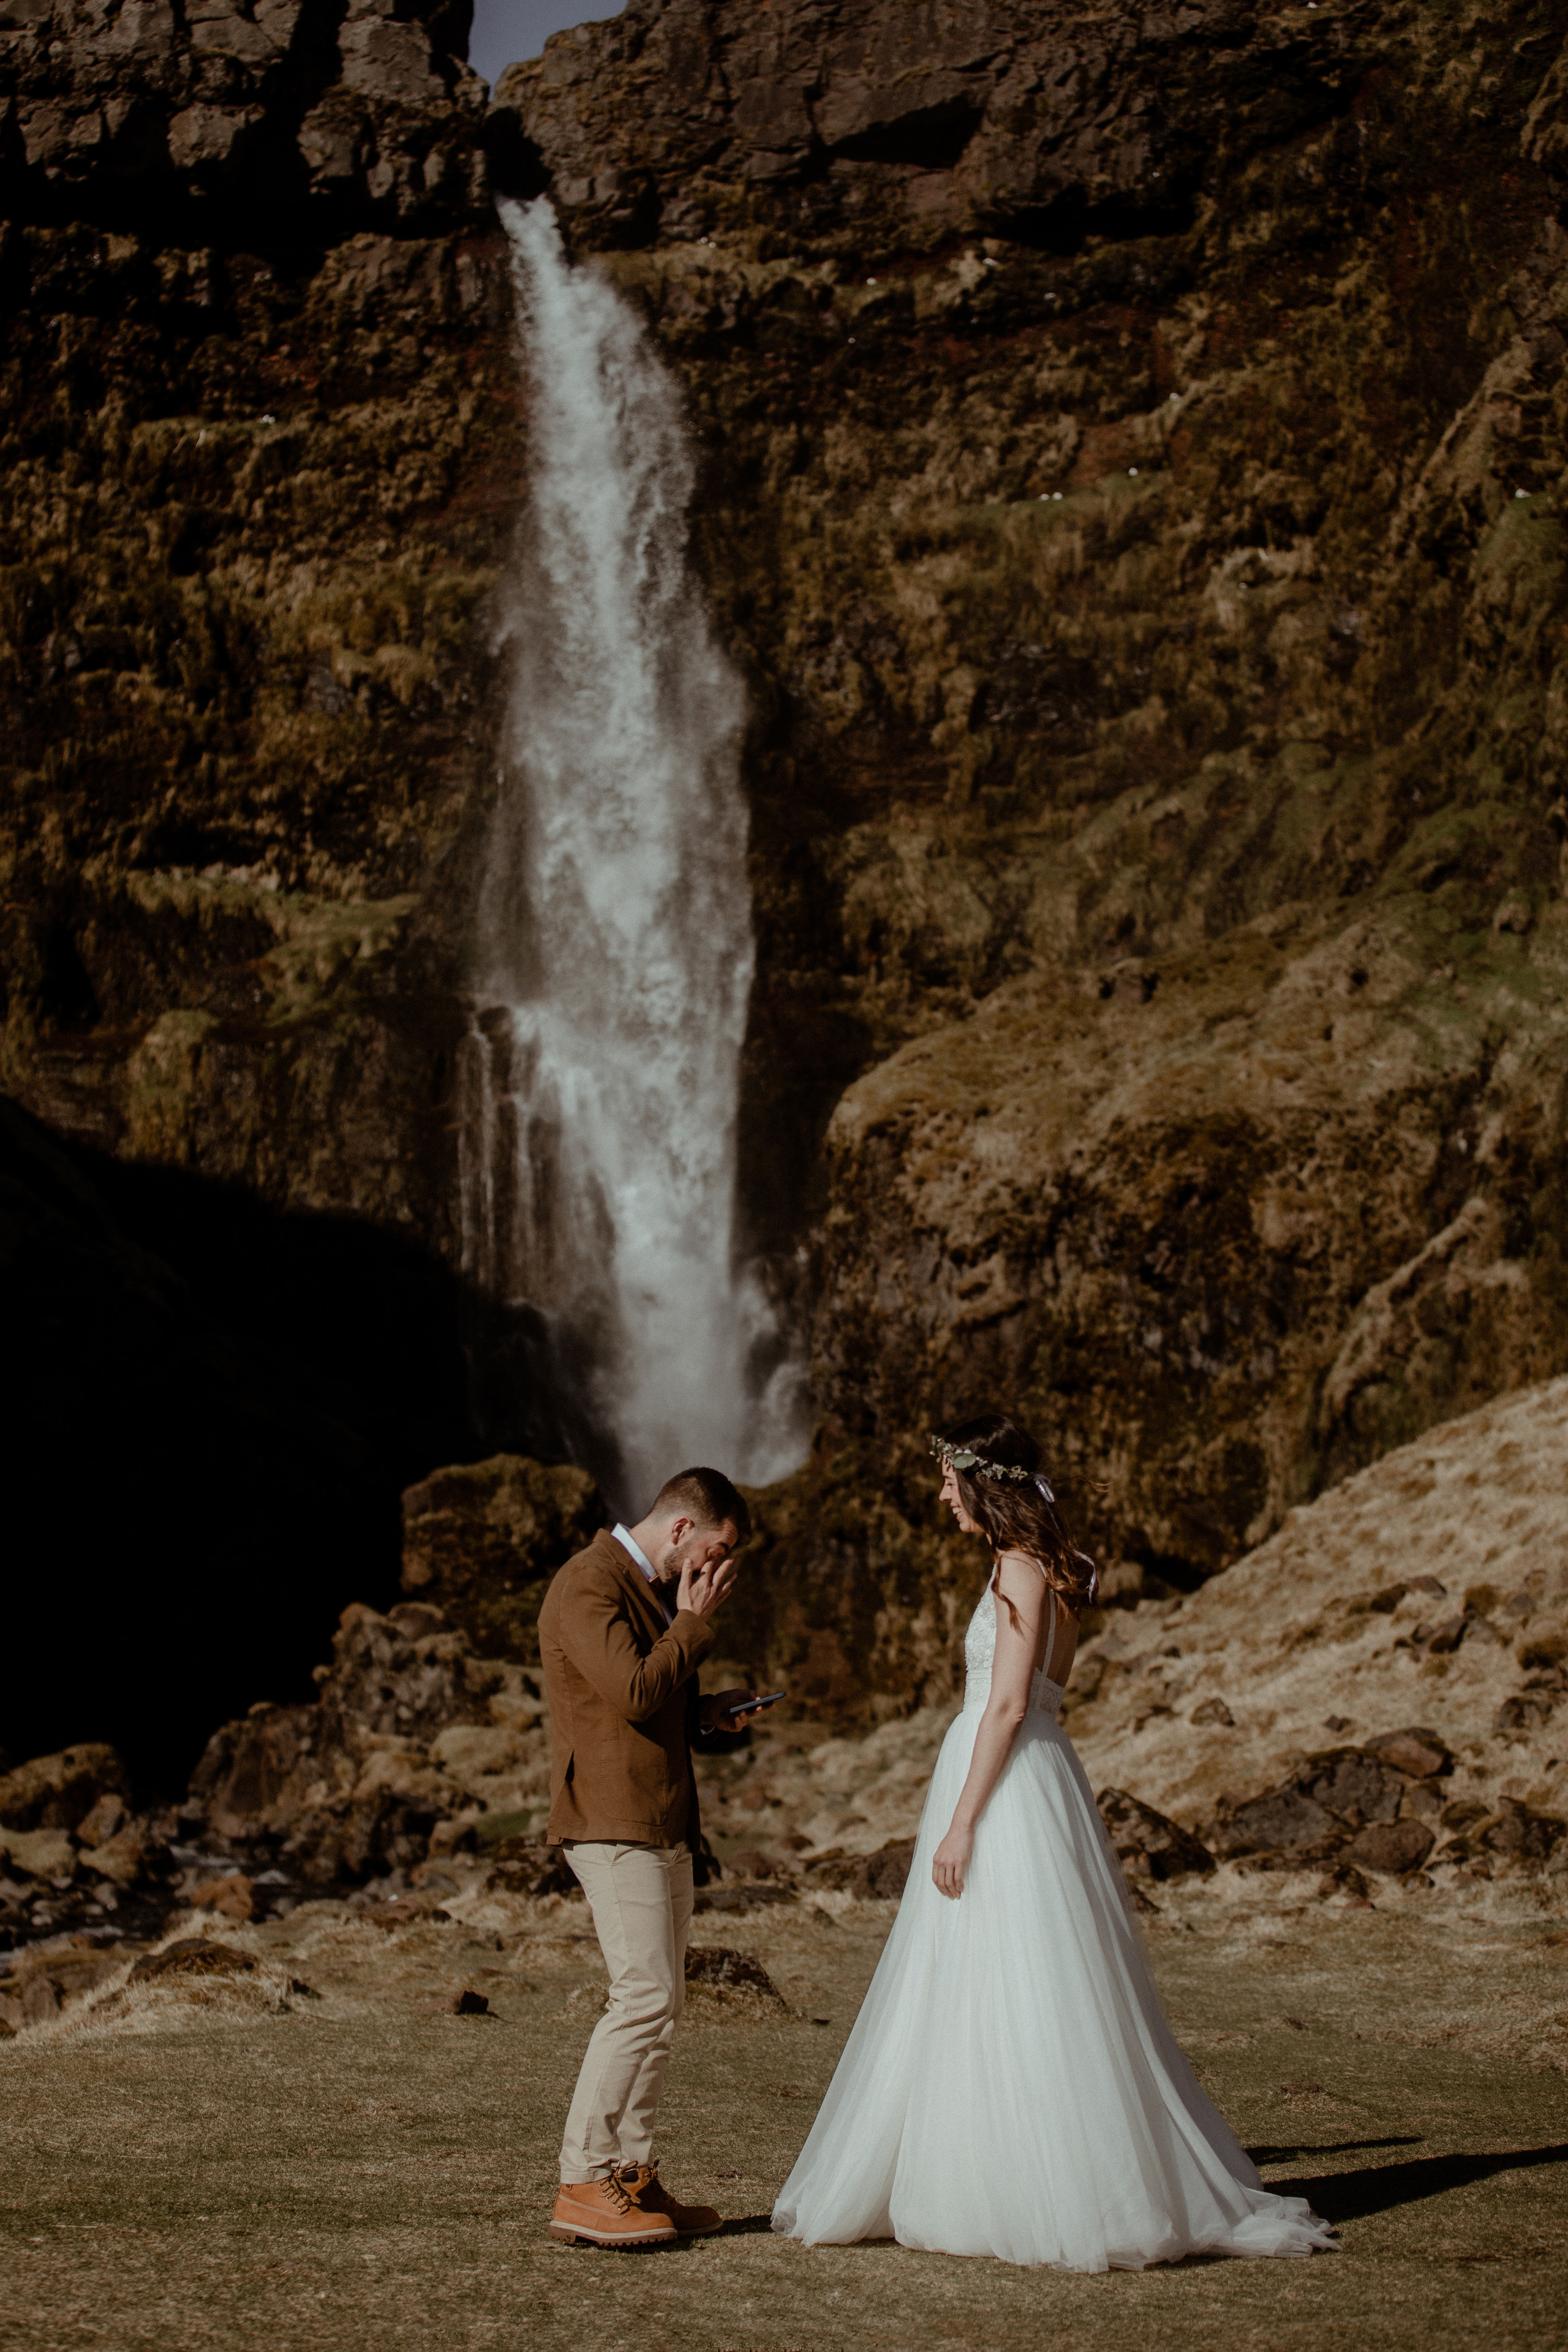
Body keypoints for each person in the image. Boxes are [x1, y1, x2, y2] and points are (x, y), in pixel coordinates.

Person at [772, 1412, 1336, 2272]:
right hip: (1039, 1769)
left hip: (1005, 1780)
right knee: (1014, 1972)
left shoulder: (1019, 1569)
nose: (940, 1494)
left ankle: (1028, 2179)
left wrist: (961, 1822)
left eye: (948, 1480)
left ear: (982, 1483)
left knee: (1008, 1969)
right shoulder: (1062, 1567)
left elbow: (1004, 1704)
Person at [539, 1466, 766, 2248]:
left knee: (661, 2011)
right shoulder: (587, 1583)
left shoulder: (647, 1591)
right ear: (680, 1531)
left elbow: (654, 1707)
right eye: (715, 1549)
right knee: (639, 2001)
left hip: (662, 1820)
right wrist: (693, 1622)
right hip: (611, 1821)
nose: (713, 1569)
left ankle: (630, 2176)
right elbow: (634, 1692)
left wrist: (709, 1715)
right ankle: (581, 2180)